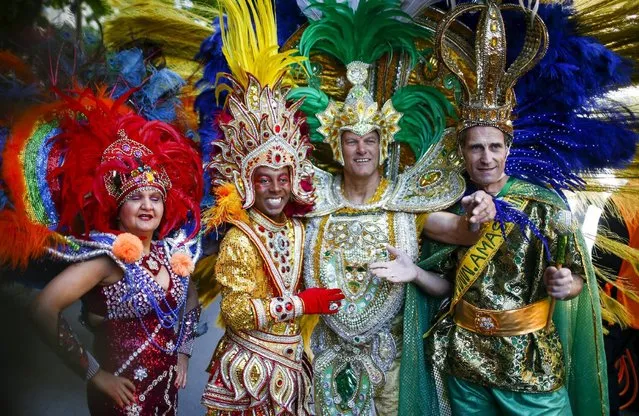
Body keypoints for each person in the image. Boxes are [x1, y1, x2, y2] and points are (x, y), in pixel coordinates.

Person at [289, 2, 496, 414]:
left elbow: (462, 233)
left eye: (370, 140)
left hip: (392, 361)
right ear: (337, 145)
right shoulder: (313, 201)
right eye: (352, 139)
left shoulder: (405, 203)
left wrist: (481, 212)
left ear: (384, 146)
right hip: (322, 356)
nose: (361, 148)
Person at [427, 2, 608, 415]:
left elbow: (577, 278)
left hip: (529, 365)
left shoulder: (543, 205)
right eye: (476, 147)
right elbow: (444, 283)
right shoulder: (445, 204)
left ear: (508, 149)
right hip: (465, 361)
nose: (486, 157)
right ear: (462, 153)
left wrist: (568, 285)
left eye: (494, 146)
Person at [198, 1, 344, 414]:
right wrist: (301, 304)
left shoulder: (298, 230)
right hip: (246, 373)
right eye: (265, 179)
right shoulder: (239, 240)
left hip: (293, 367)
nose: (276, 189)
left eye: (283, 178)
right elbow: (236, 311)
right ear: (248, 183)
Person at [24, 90, 204, 415]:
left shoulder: (170, 254)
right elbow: (43, 309)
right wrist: (95, 373)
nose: (148, 205)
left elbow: (190, 298)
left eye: (156, 197)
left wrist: (183, 351)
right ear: (118, 208)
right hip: (122, 400)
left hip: (165, 394)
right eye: (136, 198)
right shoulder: (107, 258)